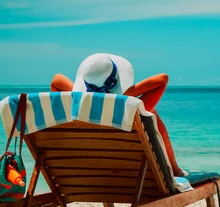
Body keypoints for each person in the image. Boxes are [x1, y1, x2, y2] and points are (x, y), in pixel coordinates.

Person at [50, 53, 185, 177]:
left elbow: (56, 80)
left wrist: (83, 95)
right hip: (125, 170)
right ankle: (174, 168)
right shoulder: (123, 112)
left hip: (88, 171)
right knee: (151, 112)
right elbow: (162, 79)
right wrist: (125, 95)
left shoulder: (79, 109)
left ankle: (174, 168)